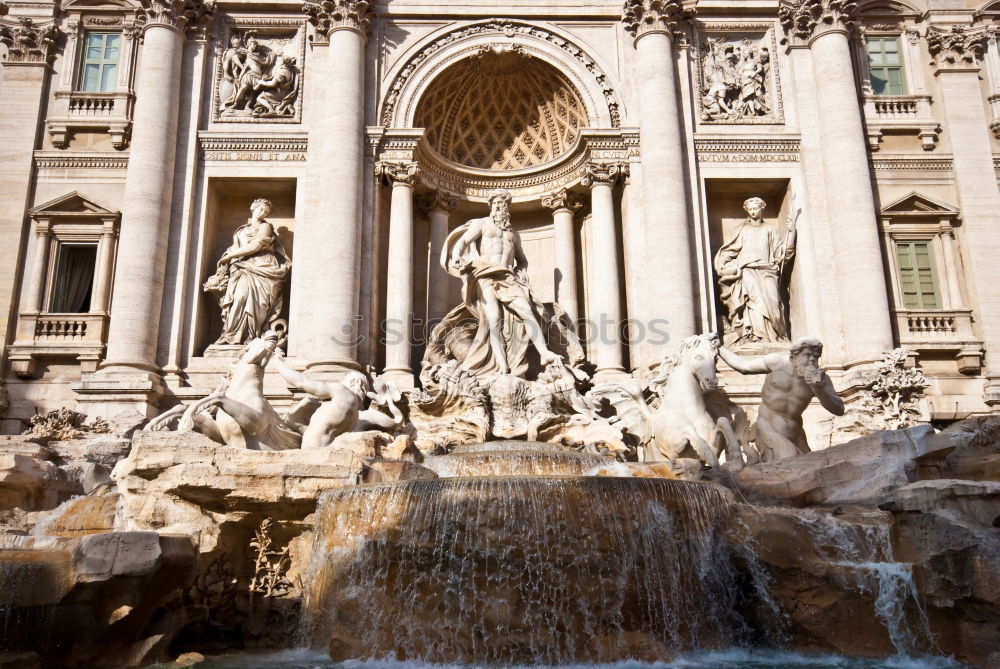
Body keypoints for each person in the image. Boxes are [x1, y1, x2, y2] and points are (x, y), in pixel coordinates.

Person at [437, 189, 562, 378]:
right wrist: (456, 257)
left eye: (502, 203)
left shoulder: (513, 235)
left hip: (507, 278)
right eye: (495, 203)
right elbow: (462, 242)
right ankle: (502, 365)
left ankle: (544, 353)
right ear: (491, 206)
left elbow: (522, 260)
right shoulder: (482, 224)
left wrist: (523, 272)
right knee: (493, 319)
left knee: (527, 311)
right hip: (485, 275)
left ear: (507, 207)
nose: (498, 206)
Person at [718, 337, 844, 462]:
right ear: (794, 357)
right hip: (768, 427)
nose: (812, 359)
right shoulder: (777, 363)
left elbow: (839, 409)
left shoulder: (821, 379)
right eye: (807, 355)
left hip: (796, 434)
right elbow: (743, 367)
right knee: (791, 462)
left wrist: (818, 388)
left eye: (816, 356)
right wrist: (718, 347)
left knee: (812, 467)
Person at [205, 198, 291, 345]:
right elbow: (235, 247)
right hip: (243, 268)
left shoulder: (266, 227)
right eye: (260, 209)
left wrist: (231, 255)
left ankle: (252, 337)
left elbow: (255, 247)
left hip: (263, 266)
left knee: (259, 304)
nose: (262, 213)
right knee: (239, 298)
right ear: (253, 208)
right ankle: (230, 335)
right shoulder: (241, 230)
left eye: (266, 212)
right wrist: (228, 255)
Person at [713, 196, 795, 343]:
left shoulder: (771, 229)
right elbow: (729, 251)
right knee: (753, 303)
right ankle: (756, 336)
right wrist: (723, 264)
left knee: (774, 303)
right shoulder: (741, 230)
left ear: (762, 209)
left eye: (755, 208)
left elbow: (782, 254)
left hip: (767, 271)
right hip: (747, 270)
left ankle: (775, 337)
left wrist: (792, 233)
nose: (752, 212)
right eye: (750, 209)